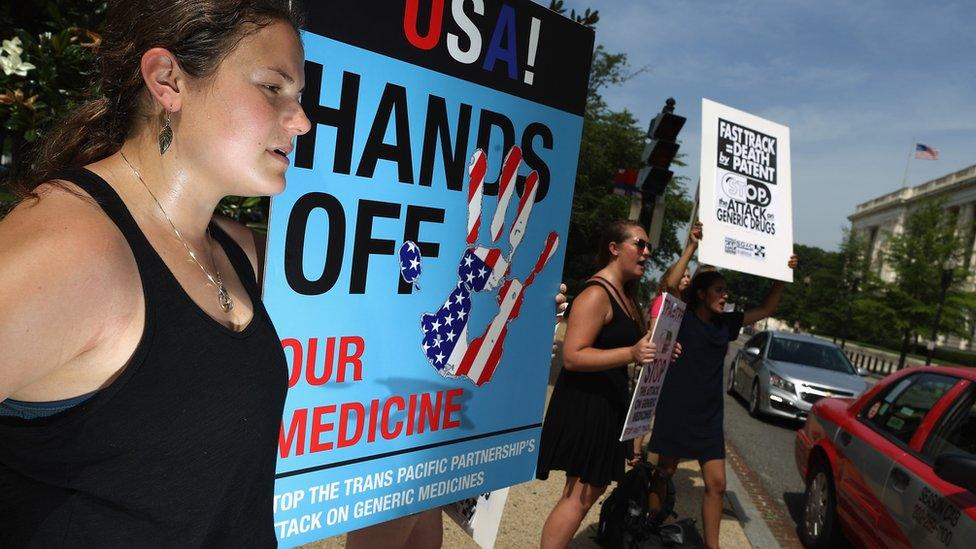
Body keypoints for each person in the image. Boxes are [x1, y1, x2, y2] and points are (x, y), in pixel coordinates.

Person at [0, 2, 569, 545]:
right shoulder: (72, 249)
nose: (301, 121)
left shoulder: (236, 247)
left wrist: (518, 293)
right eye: (273, 88)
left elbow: (380, 282)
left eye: (299, 96)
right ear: (167, 79)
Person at [648, 226, 797, 549]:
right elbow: (671, 284)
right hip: (677, 409)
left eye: (726, 290)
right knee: (665, 473)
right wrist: (691, 246)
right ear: (702, 294)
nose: (725, 295)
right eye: (719, 290)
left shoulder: (727, 324)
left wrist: (782, 275)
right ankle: (650, 528)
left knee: (717, 484)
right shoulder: (683, 316)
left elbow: (768, 309)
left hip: (709, 417)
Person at [535, 220, 664, 549]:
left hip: (607, 404)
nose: (647, 252)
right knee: (577, 496)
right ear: (614, 248)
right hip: (586, 405)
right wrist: (631, 352)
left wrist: (659, 347)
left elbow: (627, 345)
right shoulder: (596, 293)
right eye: (640, 244)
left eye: (648, 246)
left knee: (587, 493)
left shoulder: (626, 295)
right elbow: (573, 356)